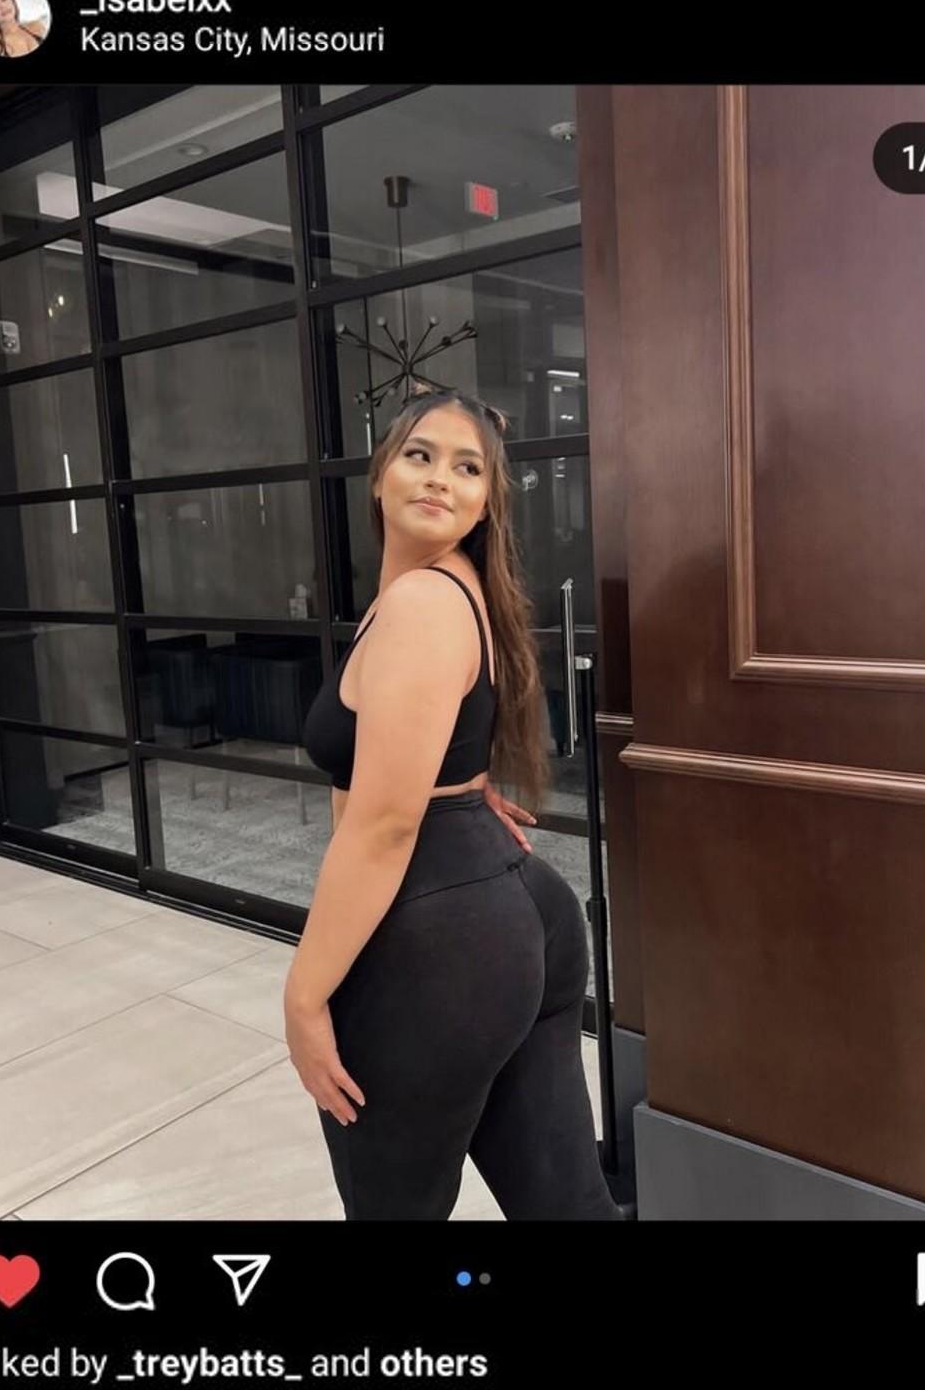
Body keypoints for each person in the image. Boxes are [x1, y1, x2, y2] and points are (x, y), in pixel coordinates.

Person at [286, 384, 625, 1221]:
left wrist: (304, 994)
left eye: (468, 468)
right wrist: (468, 794)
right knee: (566, 1206)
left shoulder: (421, 603)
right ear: (379, 476)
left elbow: (384, 824)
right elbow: (433, 753)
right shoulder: (458, 588)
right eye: (420, 455)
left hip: (442, 941)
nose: (441, 477)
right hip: (507, 910)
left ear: (485, 503)